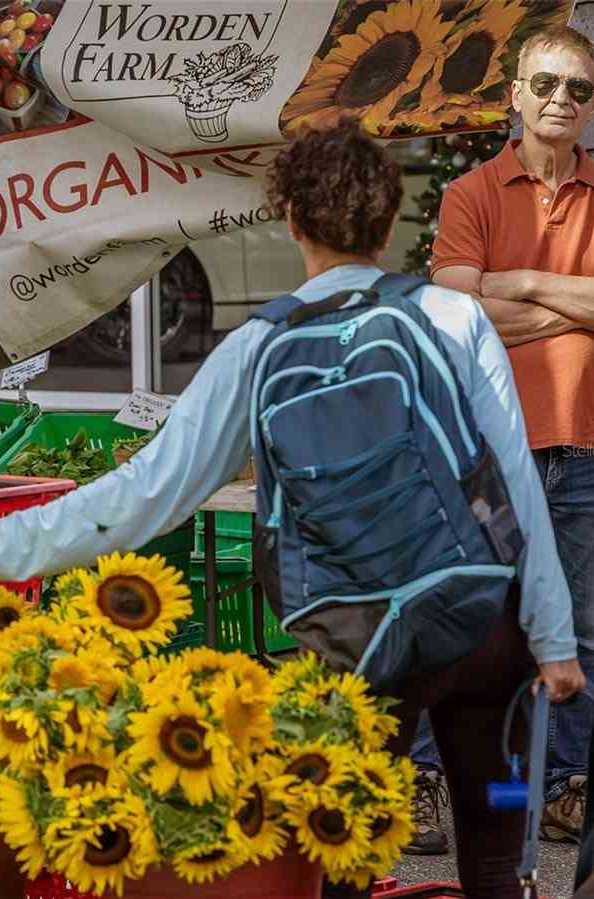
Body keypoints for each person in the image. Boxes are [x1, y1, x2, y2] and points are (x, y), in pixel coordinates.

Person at [0, 125, 583, 898]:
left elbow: (140, 496)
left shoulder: (257, 346)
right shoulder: (454, 320)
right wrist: (552, 639)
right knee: (496, 840)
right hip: (484, 629)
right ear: (389, 222)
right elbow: (516, 480)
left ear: (289, 221)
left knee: (348, 854)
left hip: (355, 647)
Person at [432, 24, 594, 844]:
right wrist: (572, 298)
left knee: (586, 628)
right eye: (548, 85)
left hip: (587, 447)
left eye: (579, 89)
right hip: (492, 447)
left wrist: (517, 284)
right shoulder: (470, 195)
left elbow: (485, 302)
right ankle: (433, 781)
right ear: (515, 97)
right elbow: (457, 315)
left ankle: (568, 786)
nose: (562, 100)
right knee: (468, 617)